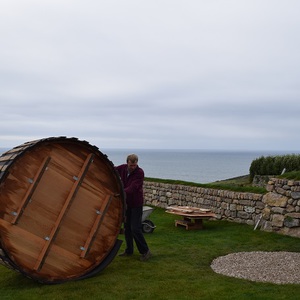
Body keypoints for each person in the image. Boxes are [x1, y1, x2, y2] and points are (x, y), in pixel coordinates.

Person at [115, 154, 151, 261]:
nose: (133, 167)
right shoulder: (122, 168)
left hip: (136, 204)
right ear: (127, 163)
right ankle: (129, 250)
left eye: (135, 165)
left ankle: (145, 251)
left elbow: (133, 188)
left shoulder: (139, 173)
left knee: (135, 228)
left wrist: (121, 192)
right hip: (127, 204)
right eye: (131, 165)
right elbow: (112, 170)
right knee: (127, 228)